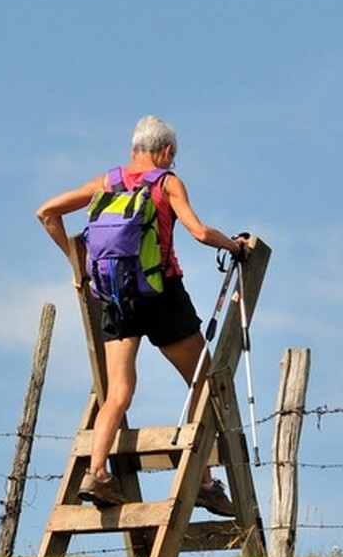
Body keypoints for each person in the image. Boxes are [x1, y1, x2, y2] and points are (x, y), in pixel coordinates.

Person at [36, 114, 247, 515]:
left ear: (134, 150)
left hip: (116, 298)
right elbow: (200, 233)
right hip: (162, 295)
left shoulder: (107, 182)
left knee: (117, 391)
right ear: (166, 151)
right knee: (203, 383)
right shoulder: (167, 183)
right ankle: (202, 483)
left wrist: (74, 262)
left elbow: (46, 212)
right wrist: (235, 247)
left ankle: (96, 473)